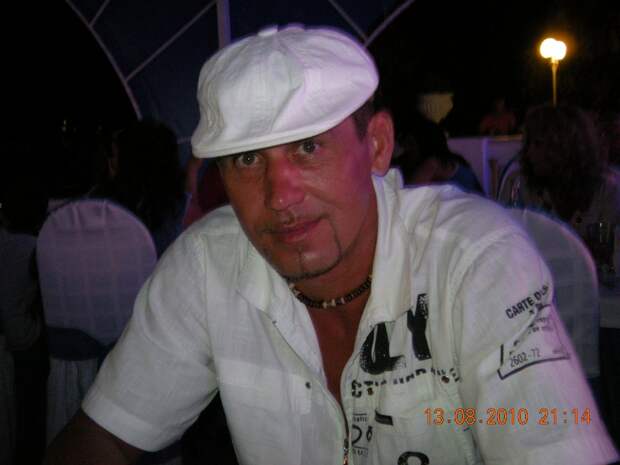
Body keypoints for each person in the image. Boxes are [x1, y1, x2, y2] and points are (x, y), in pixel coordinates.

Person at [45, 25, 618, 465]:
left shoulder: (472, 259)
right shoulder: (207, 265)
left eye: (308, 147)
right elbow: (104, 438)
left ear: (377, 145)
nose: (279, 195)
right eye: (248, 159)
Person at [498, 104, 620, 241]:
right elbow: (505, 239)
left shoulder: (606, 190)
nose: (529, 152)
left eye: (538, 144)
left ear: (566, 146)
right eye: (528, 144)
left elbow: (611, 247)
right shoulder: (518, 184)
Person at [89, 119, 188, 257]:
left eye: (115, 156)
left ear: (130, 165)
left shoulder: (107, 210)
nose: (110, 161)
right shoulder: (180, 207)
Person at [393, 112, 484, 194]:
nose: (407, 149)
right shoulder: (453, 160)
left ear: (422, 144)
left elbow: (408, 193)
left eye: (410, 144)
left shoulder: (433, 163)